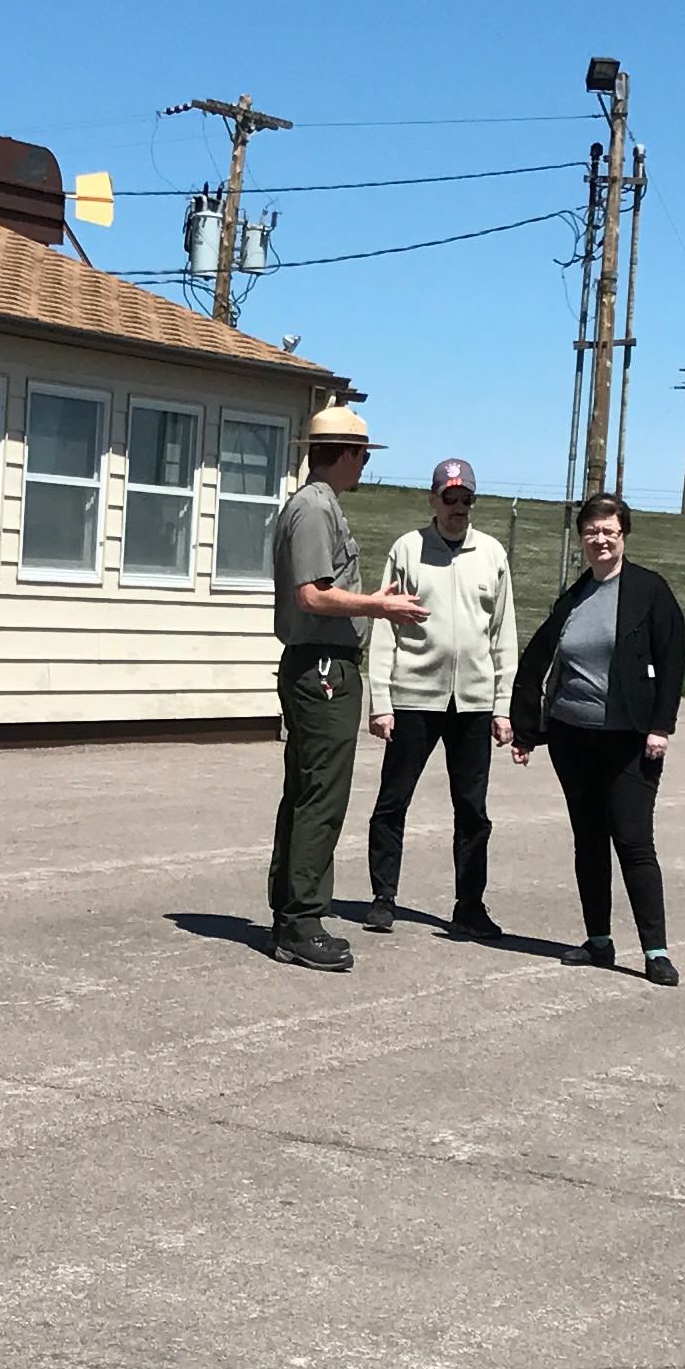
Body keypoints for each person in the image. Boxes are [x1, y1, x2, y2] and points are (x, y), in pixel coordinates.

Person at [265, 404, 427, 972]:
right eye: (362, 455)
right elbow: (312, 595)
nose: (364, 466)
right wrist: (378, 605)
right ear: (347, 454)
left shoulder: (318, 505)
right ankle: (301, 921)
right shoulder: (313, 510)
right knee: (322, 795)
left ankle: (294, 911)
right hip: (323, 668)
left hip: (323, 664)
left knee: (309, 789)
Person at [508, 493, 685, 984]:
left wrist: (661, 726)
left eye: (609, 530)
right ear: (583, 539)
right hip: (573, 736)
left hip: (630, 738)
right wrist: (527, 730)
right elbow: (539, 660)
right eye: (592, 532)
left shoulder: (649, 590)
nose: (601, 539)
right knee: (588, 840)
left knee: (632, 841)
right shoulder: (574, 597)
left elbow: (672, 660)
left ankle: (656, 950)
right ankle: (599, 941)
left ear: (623, 534)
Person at [363, 457, 518, 940]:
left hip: (471, 704)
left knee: (472, 810)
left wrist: (503, 703)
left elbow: (503, 633)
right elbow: (386, 625)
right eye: (449, 498)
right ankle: (383, 898)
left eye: (465, 499)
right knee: (393, 801)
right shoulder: (408, 550)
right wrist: (381, 699)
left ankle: (469, 905)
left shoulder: (491, 554)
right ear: (433, 499)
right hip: (414, 698)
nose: (457, 507)